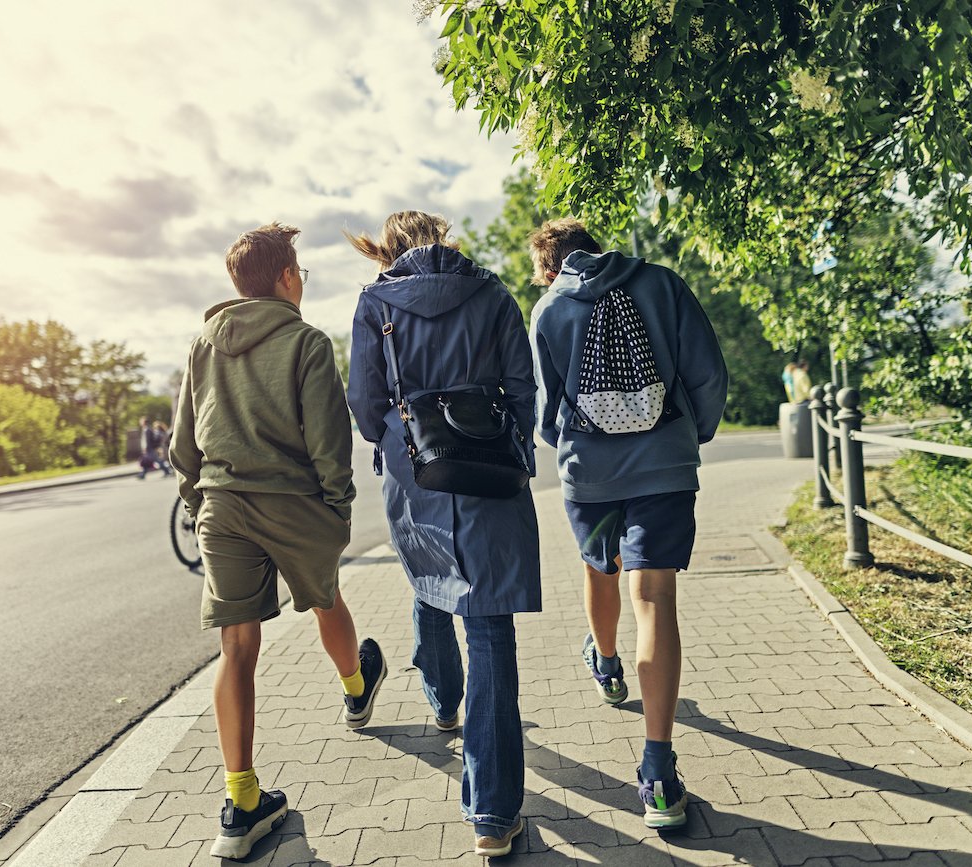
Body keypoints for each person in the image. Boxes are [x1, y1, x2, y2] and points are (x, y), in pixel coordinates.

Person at [168, 222, 388, 860]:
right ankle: (355, 689)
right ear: (288, 278)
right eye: (302, 273)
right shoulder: (306, 341)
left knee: (235, 646)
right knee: (324, 598)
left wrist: (200, 499)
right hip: (292, 503)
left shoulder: (202, 343)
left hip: (221, 506)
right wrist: (337, 509)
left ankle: (240, 804)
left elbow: (185, 440)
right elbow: (329, 441)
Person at [346, 211, 540, 859]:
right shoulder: (493, 293)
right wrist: (517, 455)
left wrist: (401, 443)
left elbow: (365, 404)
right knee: (489, 625)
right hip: (488, 464)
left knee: (429, 580)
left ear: (390, 251)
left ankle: (443, 698)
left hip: (414, 468)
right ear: (445, 239)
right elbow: (522, 387)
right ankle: (492, 813)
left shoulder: (375, 303)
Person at [527, 218, 727, 831]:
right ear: (597, 247)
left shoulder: (548, 310)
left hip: (590, 477)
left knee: (598, 568)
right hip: (665, 469)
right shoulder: (663, 284)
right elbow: (708, 374)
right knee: (656, 598)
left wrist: (573, 445)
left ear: (550, 265)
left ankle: (607, 665)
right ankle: (660, 775)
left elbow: (545, 408)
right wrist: (689, 436)